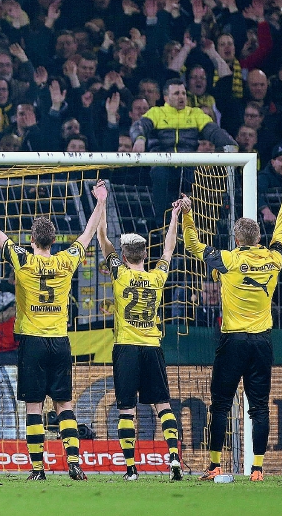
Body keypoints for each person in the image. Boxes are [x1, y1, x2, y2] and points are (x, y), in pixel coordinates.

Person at [0, 179, 108, 481]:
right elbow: (88, 233)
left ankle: (38, 469)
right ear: (53, 241)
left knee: (34, 406)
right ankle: (74, 462)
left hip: (32, 342)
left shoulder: (23, 260)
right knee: (64, 404)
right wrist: (100, 201)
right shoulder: (66, 260)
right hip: (59, 341)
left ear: (32, 240)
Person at [182, 191, 282, 481]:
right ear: (258, 238)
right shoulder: (274, 259)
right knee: (260, 407)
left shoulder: (227, 259)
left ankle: (215, 465)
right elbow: (280, 232)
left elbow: (193, 245)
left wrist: (188, 214)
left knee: (220, 405)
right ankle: (258, 469)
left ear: (237, 240)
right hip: (262, 341)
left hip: (233, 341)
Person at [96, 193, 183, 481]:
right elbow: (168, 249)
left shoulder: (119, 274)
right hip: (152, 347)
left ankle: (131, 469)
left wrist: (102, 203)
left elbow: (102, 239)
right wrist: (174, 218)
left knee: (126, 410)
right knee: (163, 406)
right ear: (145, 255)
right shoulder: (157, 277)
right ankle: (174, 457)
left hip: (126, 348)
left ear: (123, 257)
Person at [130, 78, 235, 221]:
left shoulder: (195, 113)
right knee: (160, 174)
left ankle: (202, 223)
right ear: (166, 97)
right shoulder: (157, 112)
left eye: (184, 93)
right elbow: (138, 126)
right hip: (162, 166)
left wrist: (230, 144)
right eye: (176, 93)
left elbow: (214, 131)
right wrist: (140, 139)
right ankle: (162, 225)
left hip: (187, 168)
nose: (181, 97)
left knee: (204, 179)